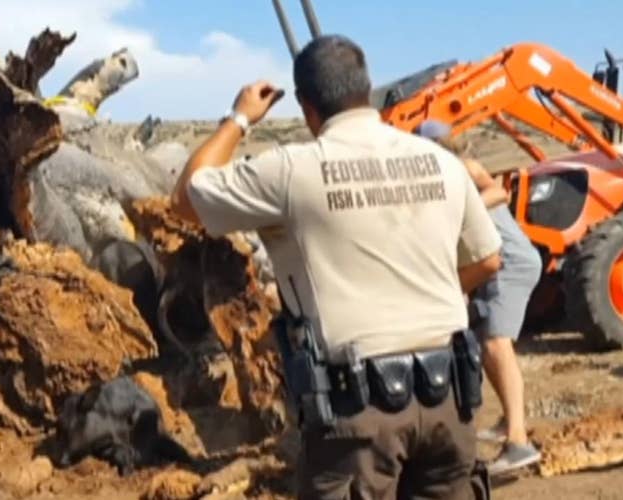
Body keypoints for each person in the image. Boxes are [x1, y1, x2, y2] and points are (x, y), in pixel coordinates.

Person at [169, 34, 502, 500]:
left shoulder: (291, 171)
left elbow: (186, 197)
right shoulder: (439, 163)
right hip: (451, 400)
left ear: (306, 107)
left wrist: (240, 116)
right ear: (366, 89)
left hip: (360, 411)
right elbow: (488, 258)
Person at [415, 120, 543, 475]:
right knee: (490, 345)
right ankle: (508, 421)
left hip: (509, 263)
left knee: (495, 346)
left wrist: (459, 209)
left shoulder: (462, 166)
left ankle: (518, 443)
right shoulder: (440, 175)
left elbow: (499, 193)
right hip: (495, 263)